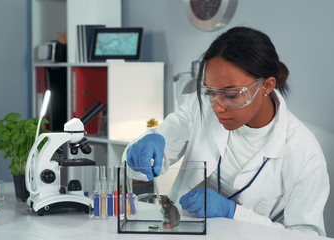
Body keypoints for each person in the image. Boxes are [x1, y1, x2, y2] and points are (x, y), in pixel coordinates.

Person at [124, 26, 329, 236]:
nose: (217, 106)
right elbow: (148, 162)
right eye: (210, 92)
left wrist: (233, 213)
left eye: (231, 95)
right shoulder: (200, 108)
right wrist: (142, 151)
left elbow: (308, 235)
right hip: (182, 230)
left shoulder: (304, 152)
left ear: (267, 85)